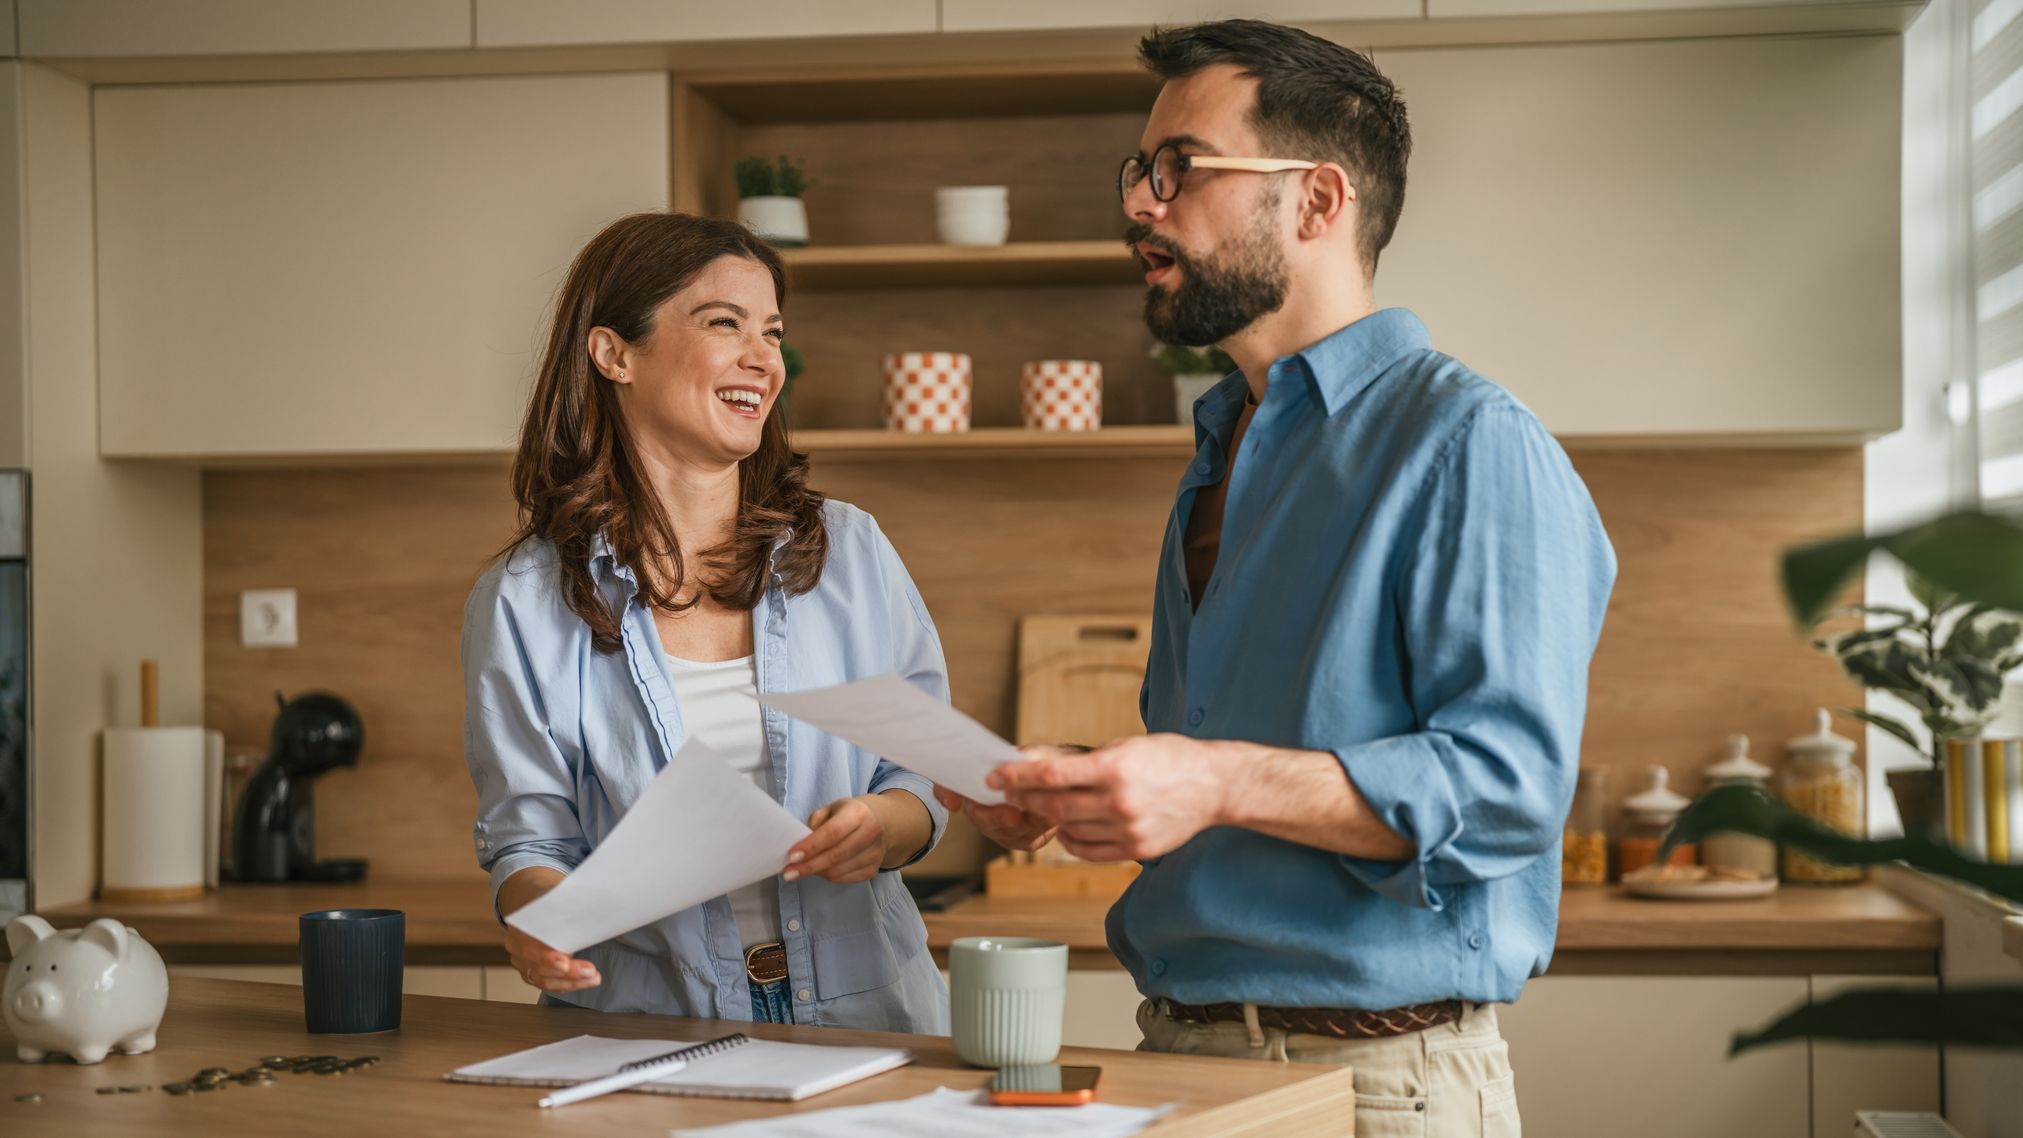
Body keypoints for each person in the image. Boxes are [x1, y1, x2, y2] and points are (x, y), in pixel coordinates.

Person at [939, 20, 1616, 1134]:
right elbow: (1242, 751)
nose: (1140, 205)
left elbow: (1506, 788)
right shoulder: (1229, 443)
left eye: (1181, 170)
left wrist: (1208, 781)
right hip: (1182, 1052)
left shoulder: (1467, 441)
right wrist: (1090, 787)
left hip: (1377, 1085)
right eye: (1140, 172)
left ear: (1315, 201)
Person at [463, 211, 949, 1032]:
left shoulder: (851, 552)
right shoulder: (525, 596)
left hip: (871, 1022)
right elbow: (529, 843)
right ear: (614, 352)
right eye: (724, 324)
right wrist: (538, 921)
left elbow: (920, 775)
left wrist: (882, 827)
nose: (763, 358)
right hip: (643, 1028)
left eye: (772, 332)